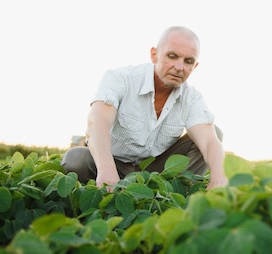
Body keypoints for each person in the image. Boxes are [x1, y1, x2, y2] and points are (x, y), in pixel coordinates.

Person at [61, 26, 227, 190]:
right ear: (154, 55)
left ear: (195, 66)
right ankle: (103, 190)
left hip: (155, 170)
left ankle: (171, 192)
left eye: (188, 61)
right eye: (172, 56)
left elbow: (209, 141)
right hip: (110, 162)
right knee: (76, 159)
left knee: (215, 133)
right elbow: (97, 122)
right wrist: (106, 171)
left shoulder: (192, 98)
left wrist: (219, 177)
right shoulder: (122, 79)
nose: (179, 67)